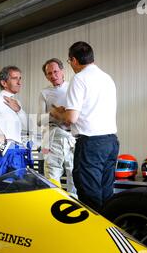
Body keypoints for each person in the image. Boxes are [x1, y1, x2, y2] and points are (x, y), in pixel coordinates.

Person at [51, 41, 119, 211]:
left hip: (90, 144)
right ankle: (108, 230)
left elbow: (71, 118)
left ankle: (93, 234)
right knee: (105, 191)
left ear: (74, 60)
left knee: (89, 194)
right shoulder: (107, 78)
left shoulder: (79, 78)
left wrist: (56, 113)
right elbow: (93, 109)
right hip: (111, 141)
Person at [38, 58, 76, 194]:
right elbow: (39, 120)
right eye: (49, 73)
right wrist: (53, 113)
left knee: (74, 173)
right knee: (52, 174)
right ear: (46, 76)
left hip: (73, 136)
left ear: (62, 71)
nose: (53, 76)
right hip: (53, 136)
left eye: (55, 71)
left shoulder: (73, 87)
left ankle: (75, 204)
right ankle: (54, 204)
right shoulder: (44, 93)